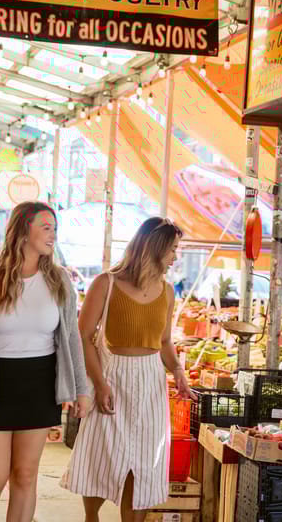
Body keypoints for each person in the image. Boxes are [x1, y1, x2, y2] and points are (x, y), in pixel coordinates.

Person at [0, 201, 91, 522]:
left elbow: (72, 340)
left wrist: (82, 389)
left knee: (25, 475)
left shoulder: (59, 280)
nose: (53, 235)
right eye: (46, 227)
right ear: (23, 230)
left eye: (55, 228)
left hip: (40, 385)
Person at [61, 217, 196, 522]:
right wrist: (100, 383)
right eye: (173, 249)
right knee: (102, 453)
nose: (176, 256)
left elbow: (164, 341)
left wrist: (178, 371)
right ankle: (91, 517)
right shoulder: (106, 284)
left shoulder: (168, 291)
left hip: (151, 380)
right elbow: (82, 336)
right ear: (155, 247)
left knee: (146, 461)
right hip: (112, 374)